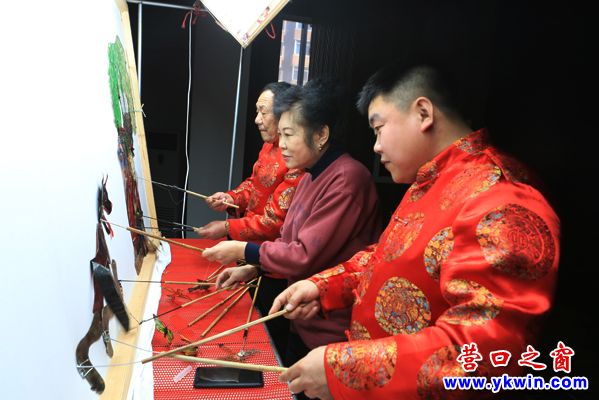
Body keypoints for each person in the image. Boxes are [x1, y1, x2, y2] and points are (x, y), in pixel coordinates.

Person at [269, 61, 560, 399]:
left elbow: (484, 353)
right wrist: (323, 287)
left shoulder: (503, 198)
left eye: (378, 128)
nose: (376, 146)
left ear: (423, 113)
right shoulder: (428, 180)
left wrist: (344, 369)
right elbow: (388, 256)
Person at [203, 79, 383, 367]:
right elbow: (287, 240)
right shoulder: (310, 174)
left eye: (288, 135)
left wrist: (242, 250)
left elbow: (302, 254)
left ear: (321, 134)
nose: (282, 145)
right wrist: (254, 268)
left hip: (332, 333)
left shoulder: (347, 179)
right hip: (301, 318)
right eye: (281, 135)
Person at [195, 81, 304, 242]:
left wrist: (227, 227)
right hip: (248, 236)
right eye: (257, 111)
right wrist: (230, 199)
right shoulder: (268, 145)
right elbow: (254, 185)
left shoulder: (296, 157)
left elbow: (275, 222)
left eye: (263, 112)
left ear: (284, 115)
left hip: (269, 246)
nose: (257, 120)